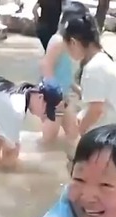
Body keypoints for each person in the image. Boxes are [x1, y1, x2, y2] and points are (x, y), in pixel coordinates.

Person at [62, 13, 116, 138]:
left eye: (68, 48)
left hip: (110, 137)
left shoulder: (93, 68)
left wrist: (78, 135)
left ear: (73, 42)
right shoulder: (104, 59)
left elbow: (96, 110)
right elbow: (97, 98)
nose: (68, 53)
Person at [39, 1, 88, 144]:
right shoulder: (58, 41)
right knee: (49, 138)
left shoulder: (68, 43)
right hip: (53, 98)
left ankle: (68, 156)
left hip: (64, 96)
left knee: (73, 133)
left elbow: (63, 72)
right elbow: (46, 67)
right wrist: (54, 95)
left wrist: (76, 88)